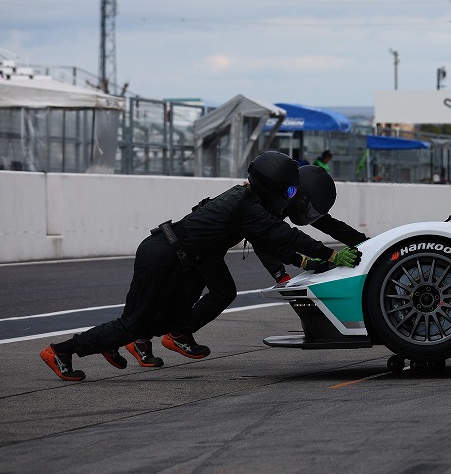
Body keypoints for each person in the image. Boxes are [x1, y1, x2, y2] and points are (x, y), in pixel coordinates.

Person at [39, 151, 363, 381]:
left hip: (179, 255)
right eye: (289, 190)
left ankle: (113, 340)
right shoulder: (248, 208)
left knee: (172, 320)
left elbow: (274, 240)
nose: (291, 195)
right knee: (132, 324)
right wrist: (331, 255)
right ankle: (62, 351)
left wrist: (312, 258)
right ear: (271, 187)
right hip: (164, 256)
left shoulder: (249, 202)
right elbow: (284, 235)